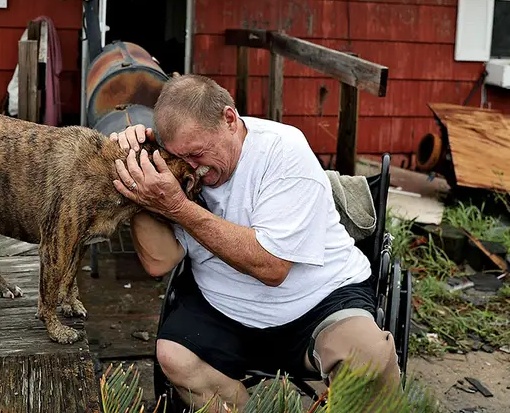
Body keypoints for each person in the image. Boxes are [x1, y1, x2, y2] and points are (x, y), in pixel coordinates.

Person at [110, 74, 400, 410]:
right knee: (174, 356)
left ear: (230, 120)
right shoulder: (177, 162)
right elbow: (159, 262)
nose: (191, 168)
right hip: (225, 308)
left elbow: (272, 266)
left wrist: (178, 207)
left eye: (198, 153)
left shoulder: (282, 150)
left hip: (317, 300)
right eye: (180, 157)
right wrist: (137, 181)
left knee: (370, 358)